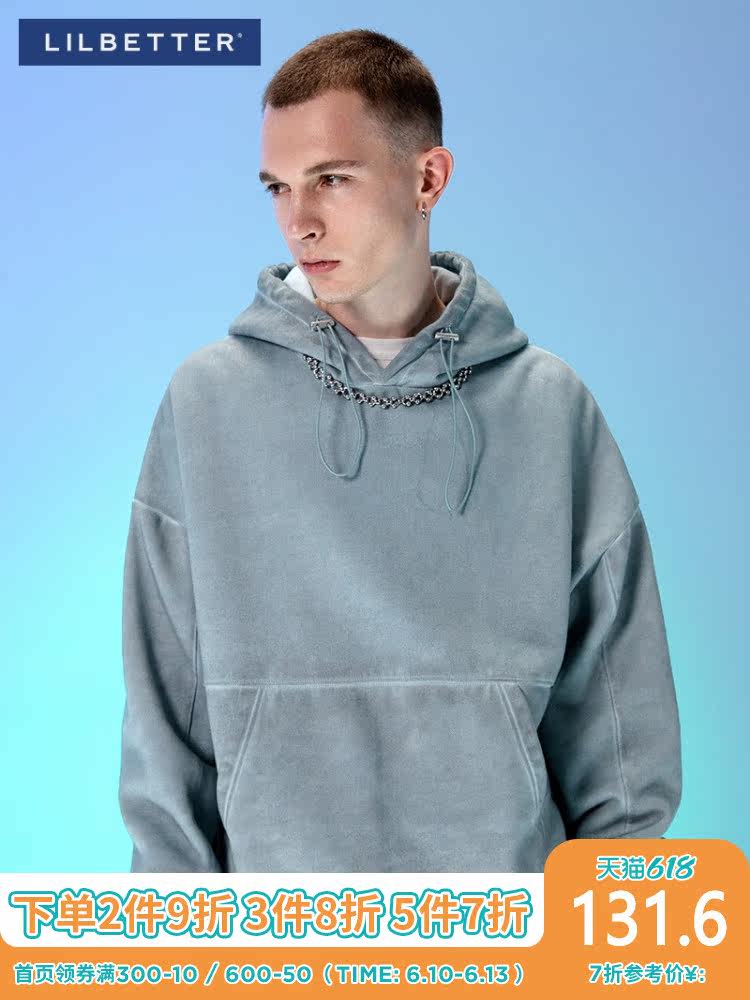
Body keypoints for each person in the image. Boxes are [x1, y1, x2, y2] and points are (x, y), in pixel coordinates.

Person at [118, 28, 682, 873]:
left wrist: (601, 928)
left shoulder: (550, 408)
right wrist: (176, 934)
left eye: (331, 179)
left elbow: (620, 732)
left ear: (428, 179)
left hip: (507, 930)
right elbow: (166, 730)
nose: (299, 222)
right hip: (277, 931)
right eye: (278, 187)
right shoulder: (207, 406)